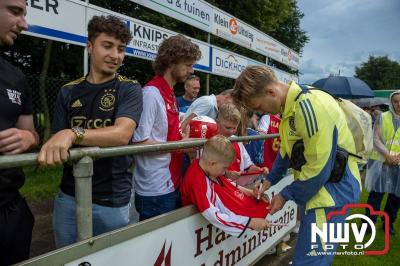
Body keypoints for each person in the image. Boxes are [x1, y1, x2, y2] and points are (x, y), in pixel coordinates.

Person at [233, 65, 361, 265]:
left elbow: (318, 169)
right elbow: (287, 150)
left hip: (330, 196)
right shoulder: (292, 105)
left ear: (270, 92)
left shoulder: (309, 106)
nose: (260, 112)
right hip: (320, 193)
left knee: (310, 260)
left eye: (258, 107)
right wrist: (269, 180)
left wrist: (285, 194)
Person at [38, 15, 143, 248]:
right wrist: (62, 137)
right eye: (107, 46)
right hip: (69, 196)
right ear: (89, 46)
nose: (115, 55)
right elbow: (57, 140)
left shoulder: (129, 88)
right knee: (67, 258)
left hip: (112, 199)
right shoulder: (68, 91)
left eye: (121, 49)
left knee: (111, 260)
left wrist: (73, 134)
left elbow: (121, 135)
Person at [132, 35, 201, 221]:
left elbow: (166, 136)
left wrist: (182, 139)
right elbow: (139, 142)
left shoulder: (169, 93)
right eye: (187, 64)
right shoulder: (151, 94)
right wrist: (180, 145)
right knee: (155, 248)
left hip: (169, 182)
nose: (191, 70)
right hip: (154, 188)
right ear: (172, 62)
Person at [0, 1, 39, 264]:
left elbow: (33, 135)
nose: (23, 24)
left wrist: (28, 139)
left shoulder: (15, 76)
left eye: (24, 14)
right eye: (14, 11)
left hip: (10, 211)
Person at [181, 135, 270, 236]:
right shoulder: (196, 181)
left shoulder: (208, 169)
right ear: (212, 163)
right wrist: (250, 223)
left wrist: (250, 193)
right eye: (224, 168)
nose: (225, 172)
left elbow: (227, 183)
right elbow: (214, 216)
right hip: (196, 231)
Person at [365, 90, 400, 235]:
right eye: (396, 101)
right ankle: (369, 223)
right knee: (376, 194)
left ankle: (388, 223)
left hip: (398, 163)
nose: (399, 104)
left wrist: (396, 157)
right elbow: (376, 138)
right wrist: (387, 155)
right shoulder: (382, 117)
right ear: (391, 103)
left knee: (396, 196)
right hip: (381, 161)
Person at [215, 103, 268, 181]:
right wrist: (226, 173)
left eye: (234, 128)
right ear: (217, 122)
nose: (231, 131)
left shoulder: (236, 141)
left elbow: (248, 166)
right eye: (227, 127)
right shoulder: (208, 141)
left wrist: (258, 170)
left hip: (236, 188)